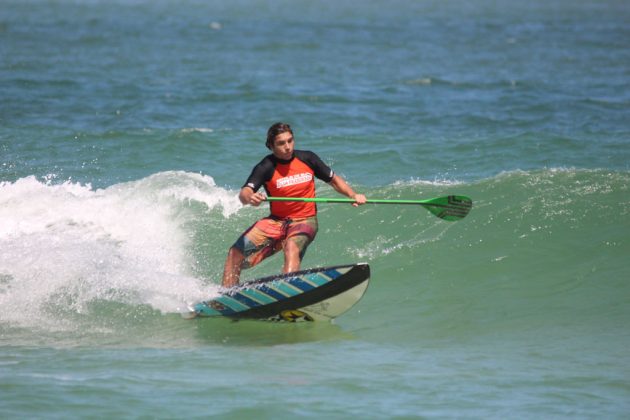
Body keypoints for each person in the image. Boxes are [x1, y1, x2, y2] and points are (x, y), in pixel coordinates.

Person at [222, 122, 366, 287]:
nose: (288, 147)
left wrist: (352, 194)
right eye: (281, 143)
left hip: (305, 220)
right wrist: (250, 197)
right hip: (276, 221)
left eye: (290, 141)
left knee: (291, 246)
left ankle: (288, 290)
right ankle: (226, 296)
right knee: (235, 253)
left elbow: (333, 180)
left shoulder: (308, 159)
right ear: (270, 146)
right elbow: (245, 192)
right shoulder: (266, 166)